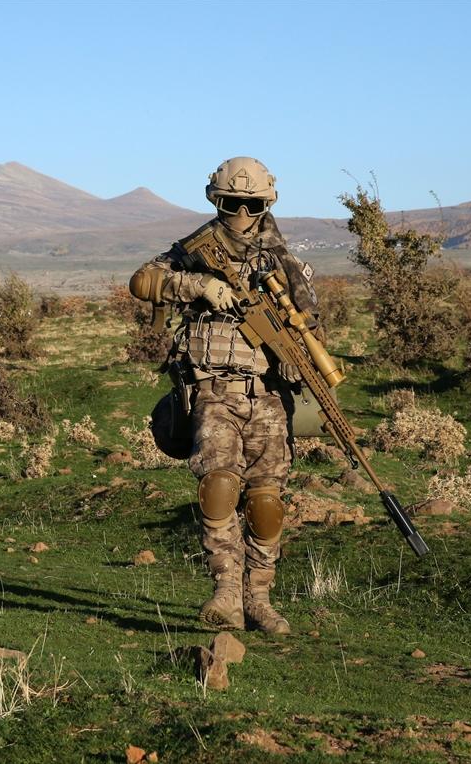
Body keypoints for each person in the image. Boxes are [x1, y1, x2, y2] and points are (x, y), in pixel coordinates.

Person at [129, 157, 322, 634]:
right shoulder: (193, 251)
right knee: (218, 487)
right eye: (232, 202)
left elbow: (308, 323)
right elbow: (142, 282)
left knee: (266, 500)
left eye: (251, 204)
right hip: (213, 390)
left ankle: (259, 598)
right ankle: (225, 593)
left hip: (269, 396)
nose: (241, 212)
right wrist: (200, 285)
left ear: (265, 204)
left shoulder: (283, 263)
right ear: (216, 200)